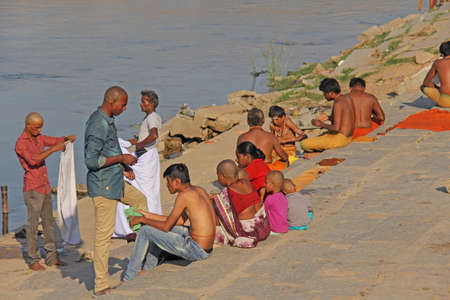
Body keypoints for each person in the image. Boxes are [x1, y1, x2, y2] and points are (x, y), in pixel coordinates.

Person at [84, 86, 148, 296]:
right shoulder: (98, 124)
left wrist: (124, 166)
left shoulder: (108, 120)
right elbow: (92, 161)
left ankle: (143, 252)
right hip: (103, 186)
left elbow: (108, 151)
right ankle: (100, 284)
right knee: (104, 235)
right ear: (113, 102)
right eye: (124, 104)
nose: (125, 108)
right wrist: (121, 159)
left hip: (115, 180)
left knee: (140, 201)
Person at [122, 163, 216, 282]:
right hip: (206, 248)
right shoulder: (199, 190)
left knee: (146, 230)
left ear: (176, 181)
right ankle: (148, 267)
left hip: (196, 250)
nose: (167, 185)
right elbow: (179, 221)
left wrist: (143, 220)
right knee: (153, 227)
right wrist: (148, 215)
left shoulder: (183, 196)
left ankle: (129, 277)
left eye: (168, 182)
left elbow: (166, 227)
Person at [15, 112, 75, 271]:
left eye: (41, 127)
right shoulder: (21, 143)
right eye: (36, 127)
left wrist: (65, 139)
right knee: (33, 225)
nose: (39, 130)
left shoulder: (39, 137)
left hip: (45, 186)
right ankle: (33, 259)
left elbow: (52, 140)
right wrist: (55, 148)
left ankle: (51, 257)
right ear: (28, 126)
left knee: (48, 223)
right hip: (33, 188)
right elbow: (34, 160)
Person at [300, 78, 355, 158]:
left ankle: (321, 154)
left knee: (304, 144)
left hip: (341, 140)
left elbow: (336, 128)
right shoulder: (347, 98)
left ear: (331, 93)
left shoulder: (338, 103)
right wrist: (329, 117)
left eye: (324, 93)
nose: (324, 96)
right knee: (320, 138)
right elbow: (344, 119)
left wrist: (320, 124)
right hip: (349, 137)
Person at [421, 41, 450, 108]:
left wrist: (438, 88)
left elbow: (426, 83)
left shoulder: (438, 63)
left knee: (423, 87)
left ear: (442, 54)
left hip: (446, 102)